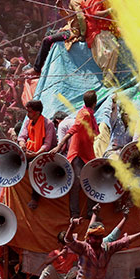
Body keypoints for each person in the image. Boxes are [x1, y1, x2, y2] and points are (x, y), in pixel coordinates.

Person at [51, 90, 99, 218]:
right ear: (95, 103)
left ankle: (90, 212)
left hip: (87, 153)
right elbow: (74, 129)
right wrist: (60, 145)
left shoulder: (88, 114)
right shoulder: (84, 114)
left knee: (91, 182)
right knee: (76, 184)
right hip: (78, 153)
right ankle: (75, 214)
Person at [32, 0, 86, 75]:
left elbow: (81, 17)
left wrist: (83, 34)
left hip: (73, 32)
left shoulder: (74, 0)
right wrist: (60, 8)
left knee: (46, 40)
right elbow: (71, 18)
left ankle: (37, 69)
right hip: (71, 28)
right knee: (49, 35)